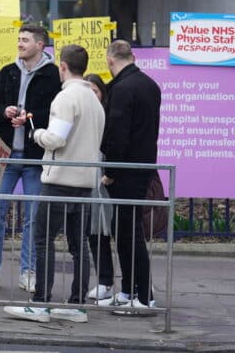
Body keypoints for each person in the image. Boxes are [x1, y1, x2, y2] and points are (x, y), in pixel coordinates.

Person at [3, 44, 105, 323]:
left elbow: (56, 139)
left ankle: (41, 302)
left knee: (43, 240)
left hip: (60, 179)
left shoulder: (65, 98)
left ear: (62, 66)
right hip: (85, 181)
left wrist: (37, 134)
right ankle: (76, 304)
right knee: (78, 244)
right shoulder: (94, 100)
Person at [0, 24, 61, 292]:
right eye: (19, 39)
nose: (20, 44)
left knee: (33, 217)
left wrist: (31, 117)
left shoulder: (53, 75)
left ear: (40, 45)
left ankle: (28, 272)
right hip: (5, 156)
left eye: (25, 40)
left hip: (35, 157)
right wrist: (4, 111)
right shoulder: (8, 72)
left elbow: (57, 113)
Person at [99, 40, 161, 310]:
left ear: (110, 60)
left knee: (129, 234)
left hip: (126, 172)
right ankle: (128, 291)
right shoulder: (149, 84)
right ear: (132, 56)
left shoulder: (122, 88)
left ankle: (144, 296)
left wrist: (110, 172)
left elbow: (117, 134)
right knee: (126, 233)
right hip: (143, 166)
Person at [83, 73, 115, 301]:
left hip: (106, 179)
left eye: (95, 90)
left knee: (121, 234)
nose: (91, 95)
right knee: (95, 233)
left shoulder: (109, 115)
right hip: (87, 181)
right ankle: (105, 280)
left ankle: (136, 285)